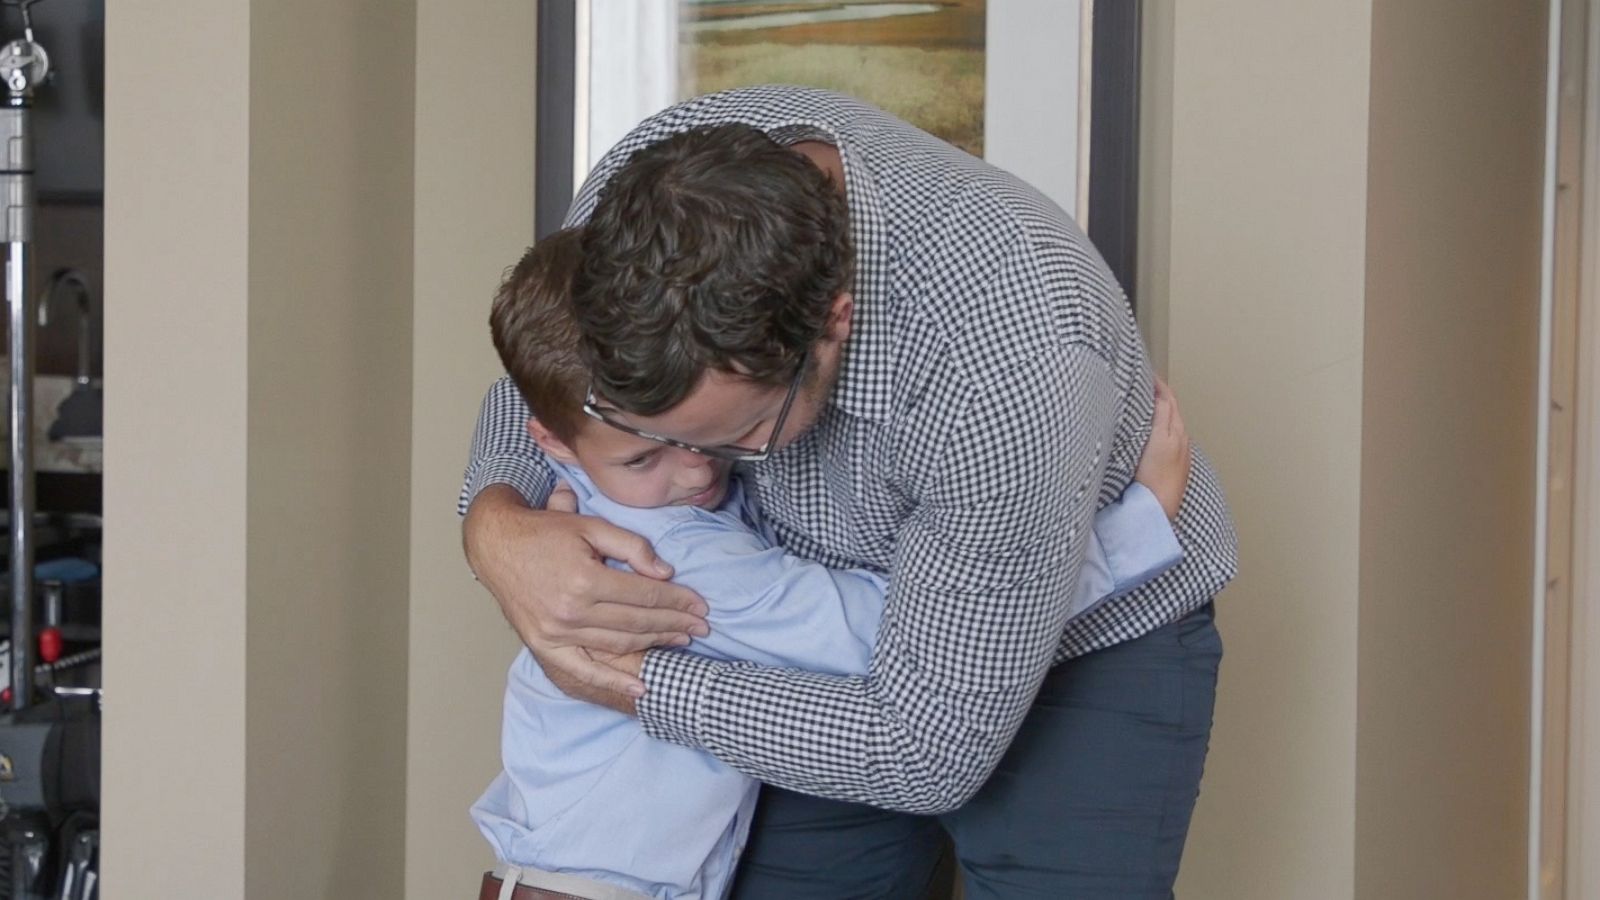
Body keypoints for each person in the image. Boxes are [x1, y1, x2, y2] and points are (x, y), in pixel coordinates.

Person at [462, 86, 1238, 898]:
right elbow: (536, 392)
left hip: (1074, 640)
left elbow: (922, 749)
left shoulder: (1009, 361)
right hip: (803, 657)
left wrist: (630, 678)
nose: (698, 472)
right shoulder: (644, 196)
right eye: (650, 442)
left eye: (734, 438)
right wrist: (496, 527)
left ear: (833, 322)